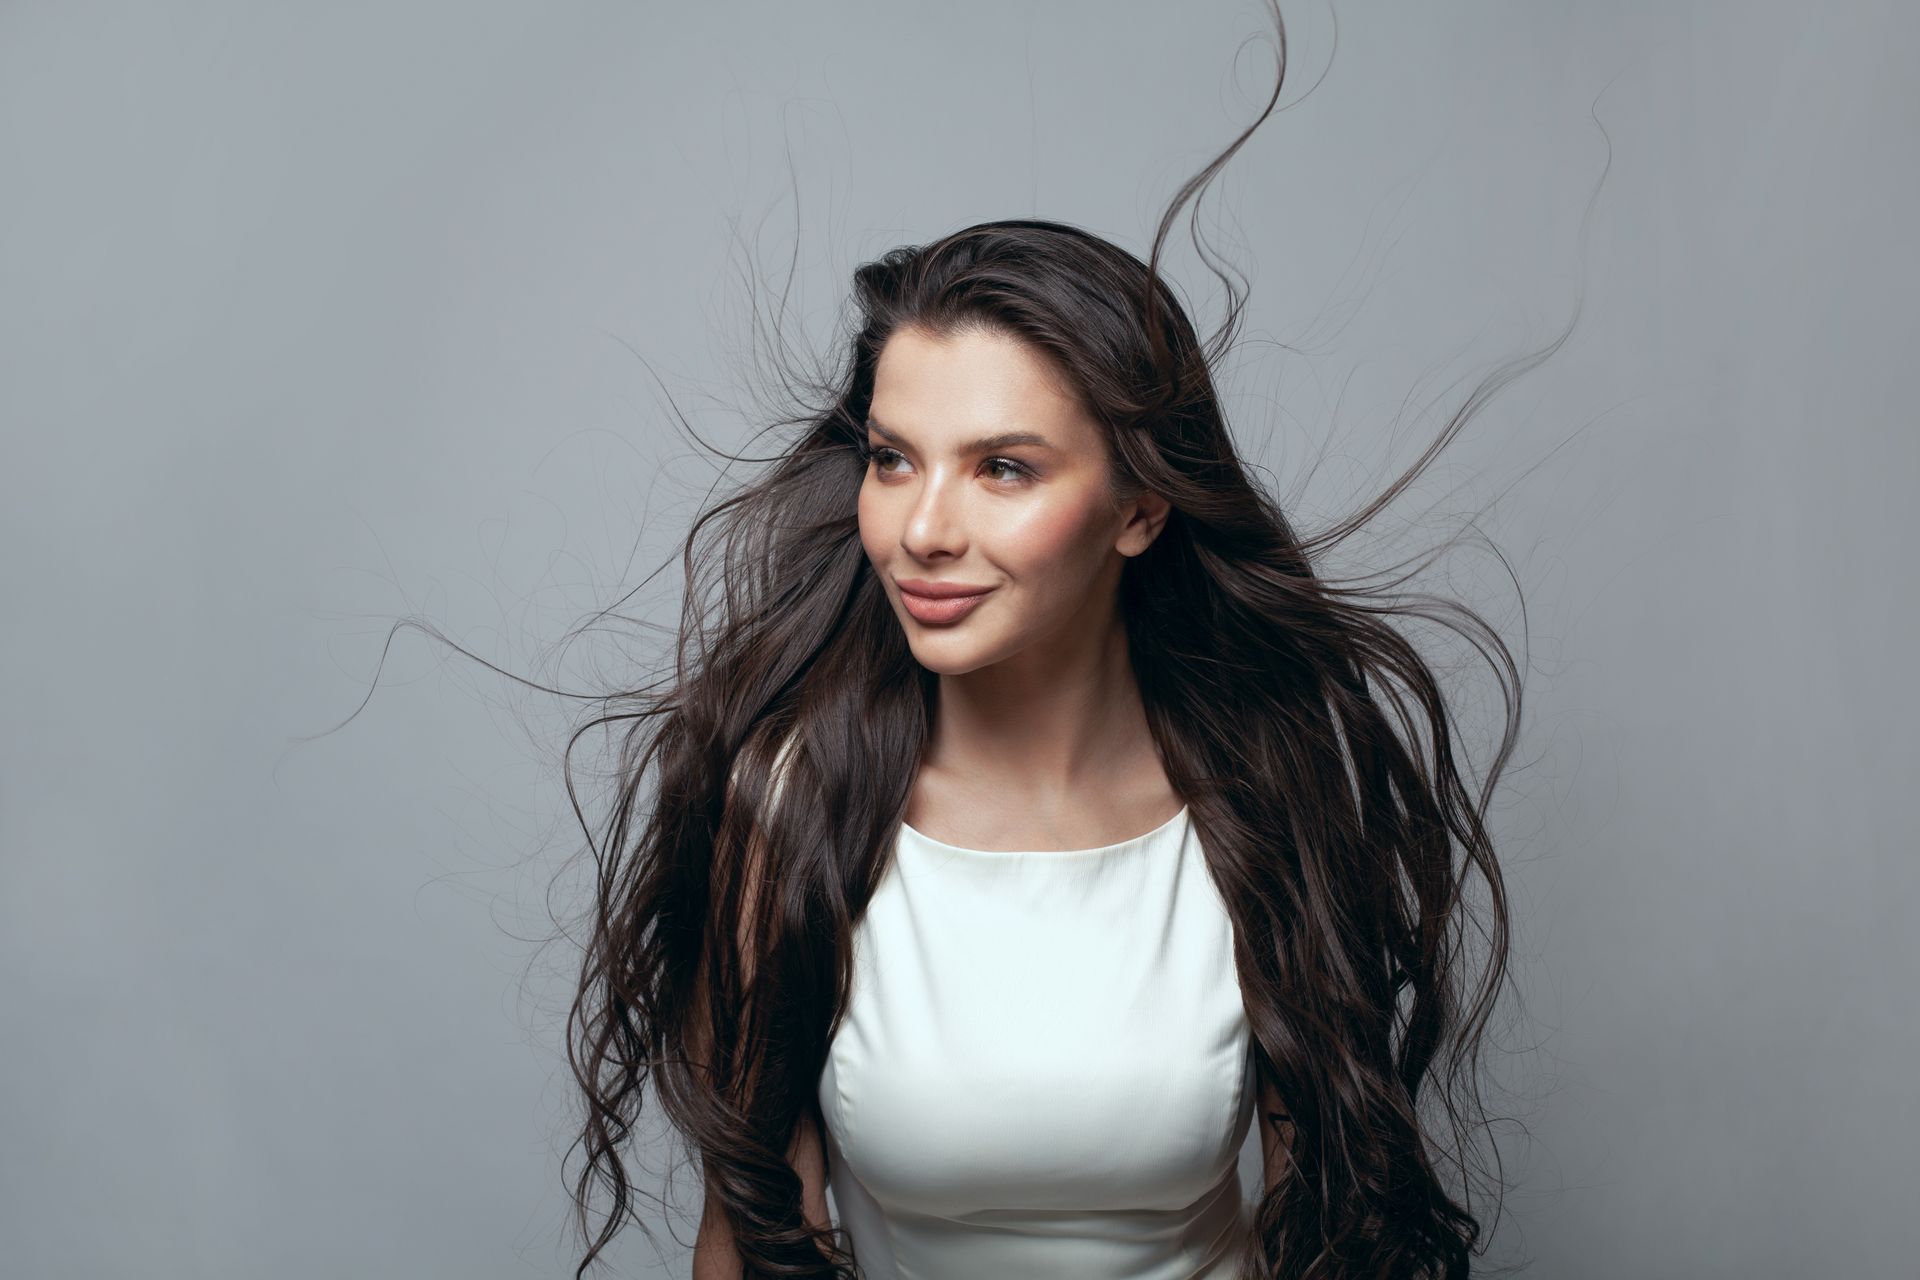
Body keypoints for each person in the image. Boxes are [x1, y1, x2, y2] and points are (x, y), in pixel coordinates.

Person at [563, 6, 1546, 1277]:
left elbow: (1327, 1228)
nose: (920, 526)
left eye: (1004, 469)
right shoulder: (794, 800)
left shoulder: (1266, 792)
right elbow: (748, 1238)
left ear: (1141, 506)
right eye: (893, 458)